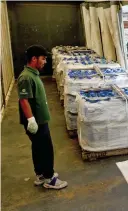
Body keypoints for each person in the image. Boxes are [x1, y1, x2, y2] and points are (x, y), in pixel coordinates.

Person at [18, 45, 68, 190]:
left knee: (38, 147)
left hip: (39, 119)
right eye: (43, 58)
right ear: (34, 59)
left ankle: (40, 174)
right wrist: (31, 120)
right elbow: (24, 100)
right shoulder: (26, 77)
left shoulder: (32, 74)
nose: (45, 61)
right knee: (46, 148)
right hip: (36, 121)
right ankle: (50, 178)